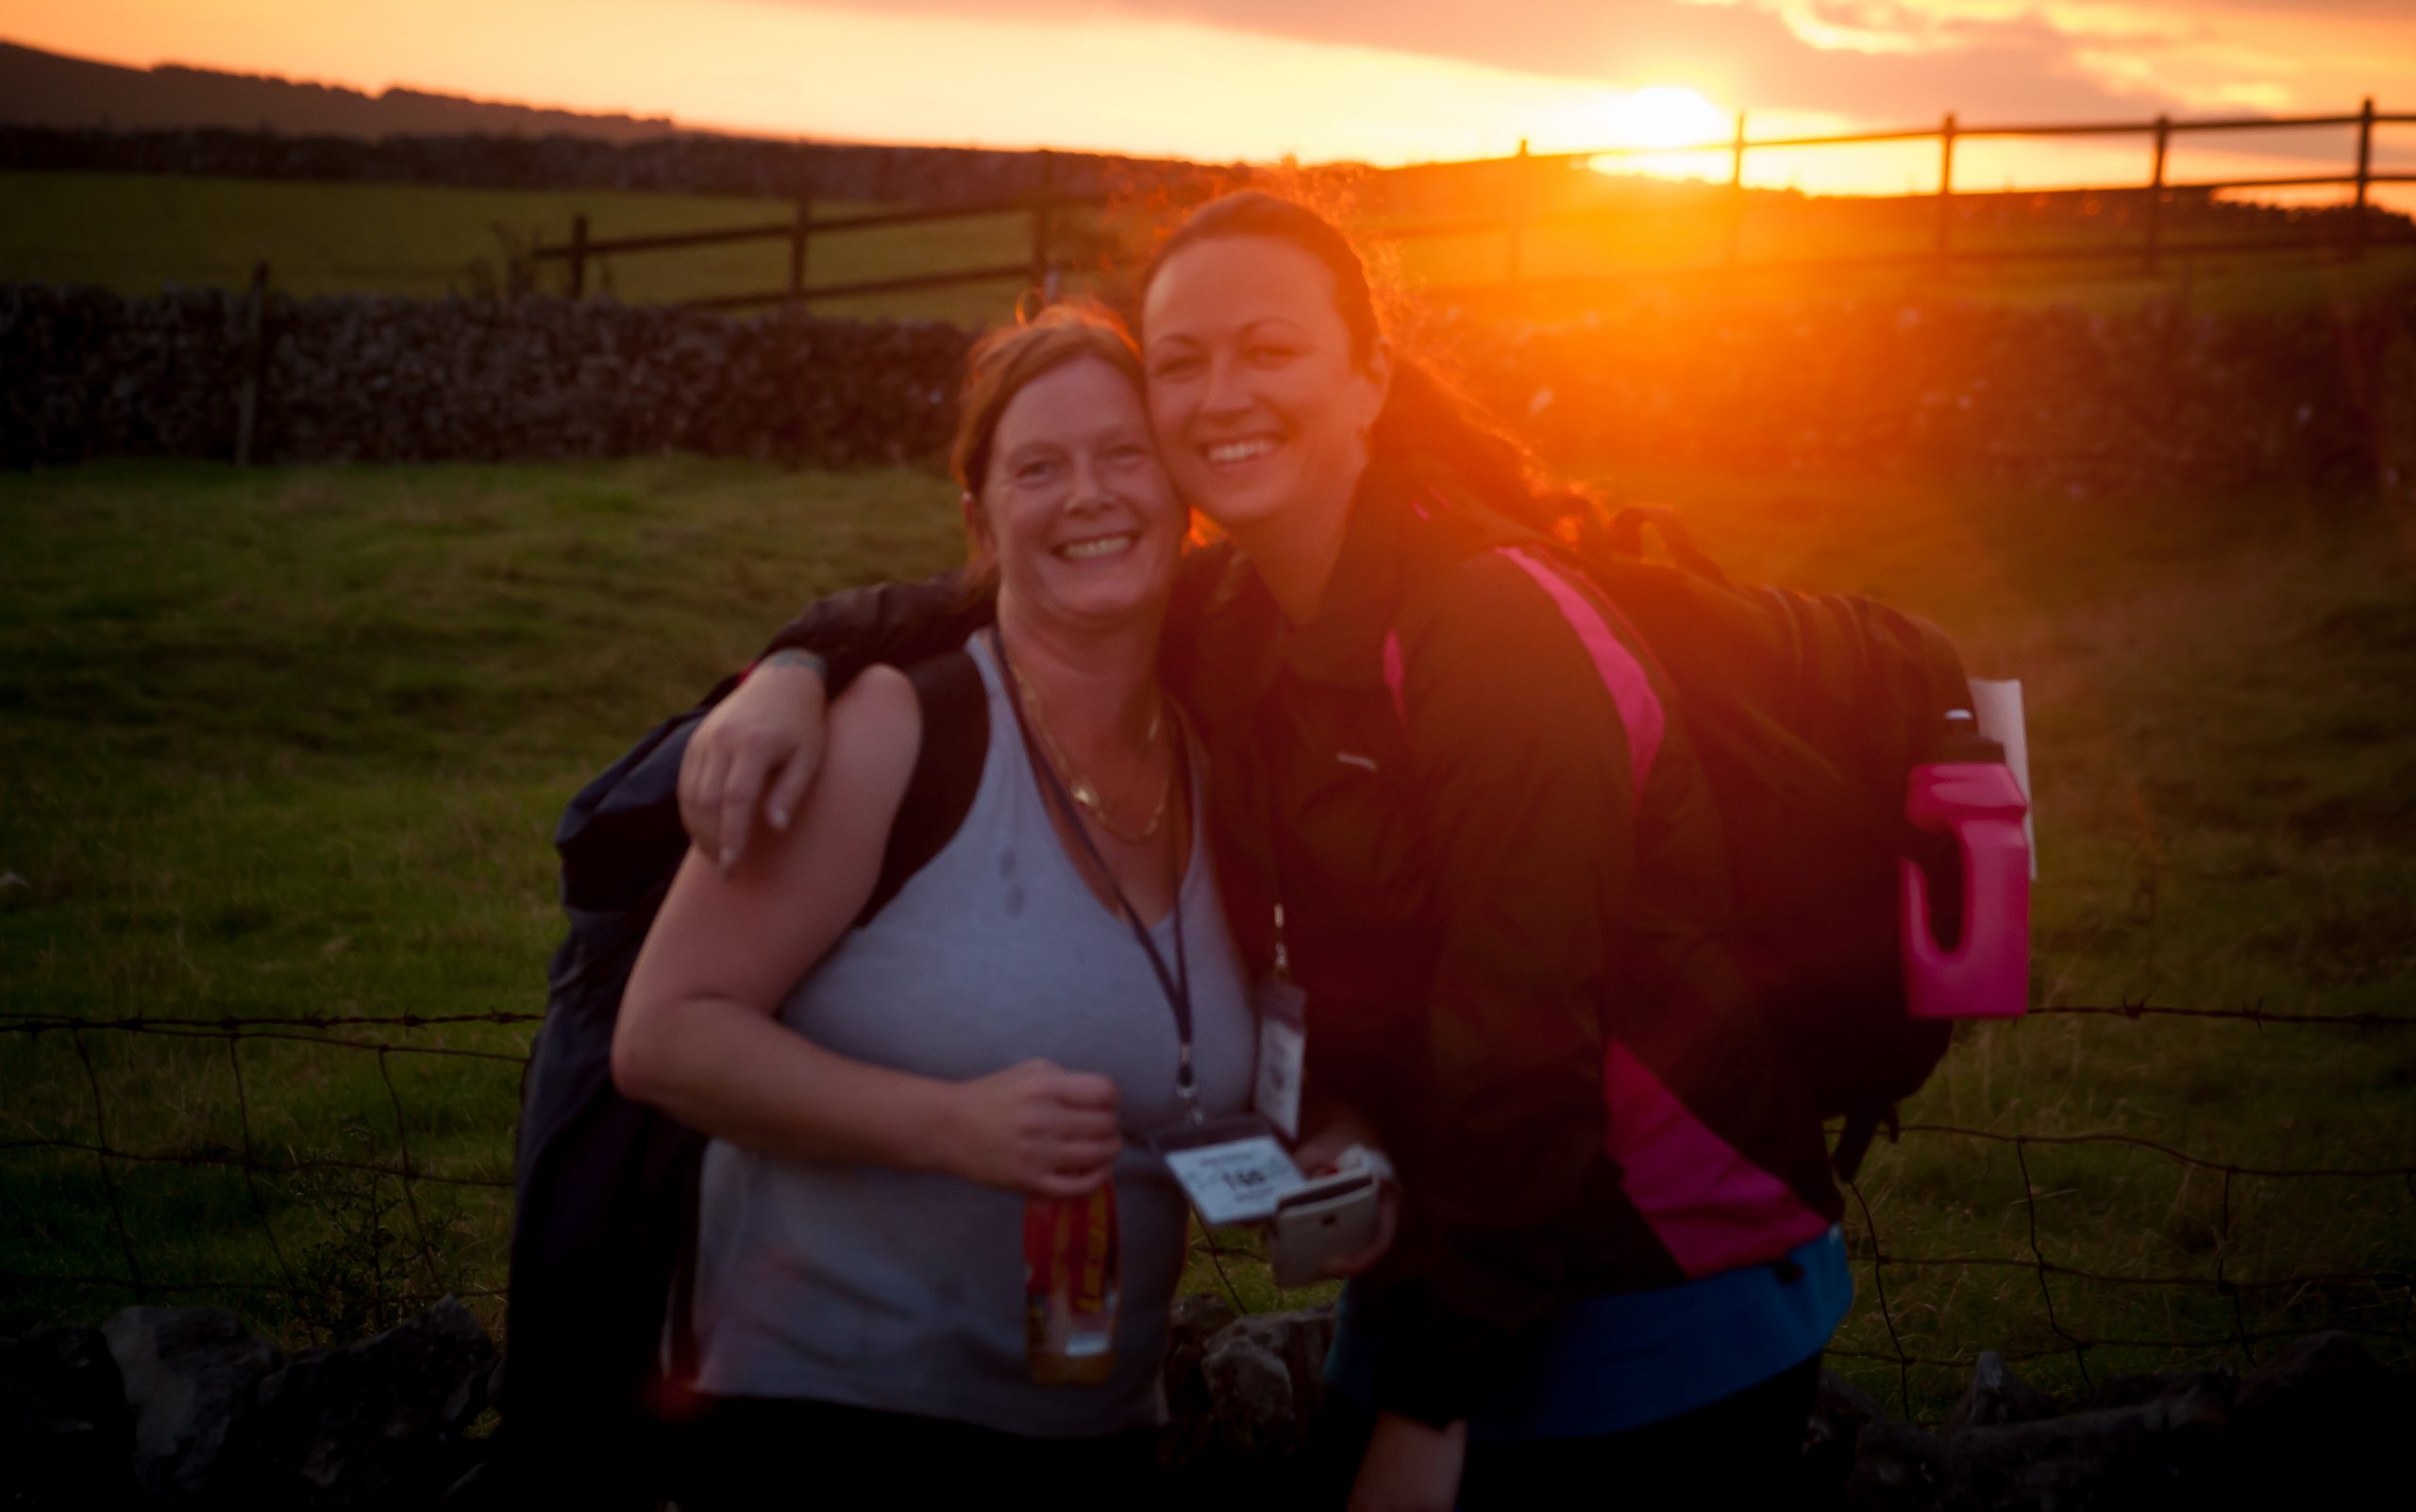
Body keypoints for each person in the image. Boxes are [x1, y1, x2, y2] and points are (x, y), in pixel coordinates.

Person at [683, 193, 1854, 1508]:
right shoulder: (1237, 618)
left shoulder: (1492, 636)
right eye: (1180, 360)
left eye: (1269, 350)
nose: (1219, 392)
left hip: (1652, 1298)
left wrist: (1423, 1405)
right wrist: (801, 654)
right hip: (1436, 1278)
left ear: (1370, 379)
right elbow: (1025, 584)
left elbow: (1527, 1049)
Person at [609, 303, 1260, 1504]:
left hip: (1099, 1439)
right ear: (979, 517)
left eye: (1124, 455)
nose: (1090, 495)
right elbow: (663, 1033)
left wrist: (1300, 1159)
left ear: (1180, 490)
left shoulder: (1222, 765)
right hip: (827, 1434)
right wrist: (944, 1129)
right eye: (1039, 468)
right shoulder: (891, 732)